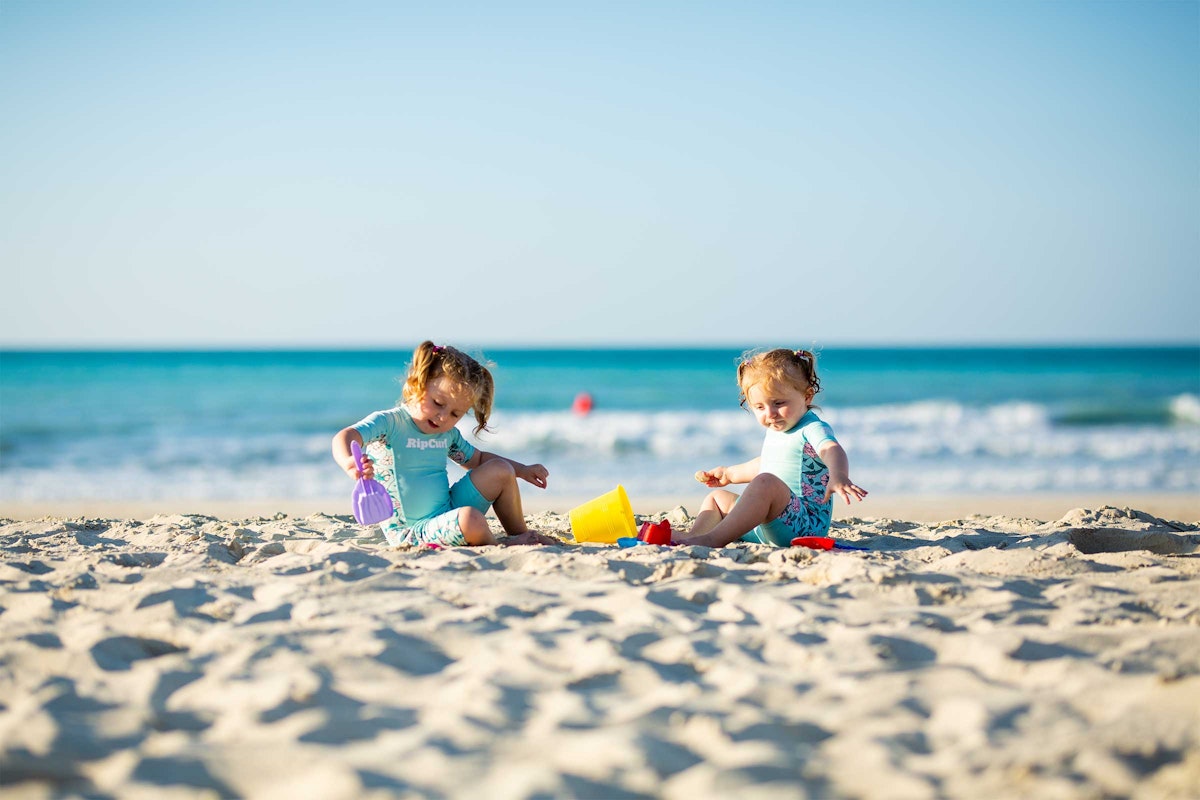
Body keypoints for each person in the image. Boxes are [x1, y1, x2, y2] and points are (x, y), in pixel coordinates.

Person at [332, 341, 551, 547]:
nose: (443, 417)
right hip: (412, 532)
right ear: (417, 383)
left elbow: (478, 460)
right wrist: (349, 461)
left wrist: (521, 470)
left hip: (446, 513)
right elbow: (347, 435)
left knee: (501, 470)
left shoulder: (447, 434)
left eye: (455, 413)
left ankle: (519, 534)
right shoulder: (390, 423)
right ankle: (500, 545)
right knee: (469, 519)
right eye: (437, 403)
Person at [676, 348, 867, 548]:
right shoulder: (778, 429)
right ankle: (695, 537)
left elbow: (831, 449)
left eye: (778, 403)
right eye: (760, 407)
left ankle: (712, 539)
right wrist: (729, 474)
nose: (770, 413)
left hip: (803, 526)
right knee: (718, 498)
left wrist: (839, 475)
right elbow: (767, 463)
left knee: (765, 482)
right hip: (767, 527)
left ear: (807, 396)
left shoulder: (812, 427)